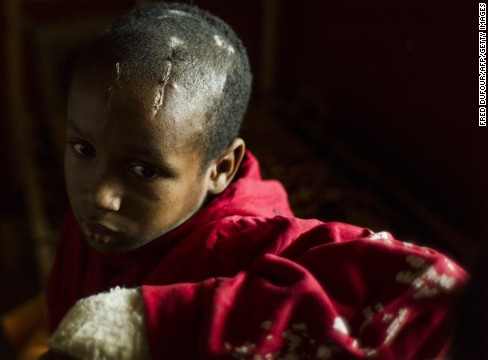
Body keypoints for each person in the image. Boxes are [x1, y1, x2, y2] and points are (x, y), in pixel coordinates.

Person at [44, 2, 468, 359]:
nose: (99, 196)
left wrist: (158, 319)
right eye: (82, 149)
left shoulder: (256, 253)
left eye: (144, 171)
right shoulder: (99, 224)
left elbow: (442, 294)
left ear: (222, 169)